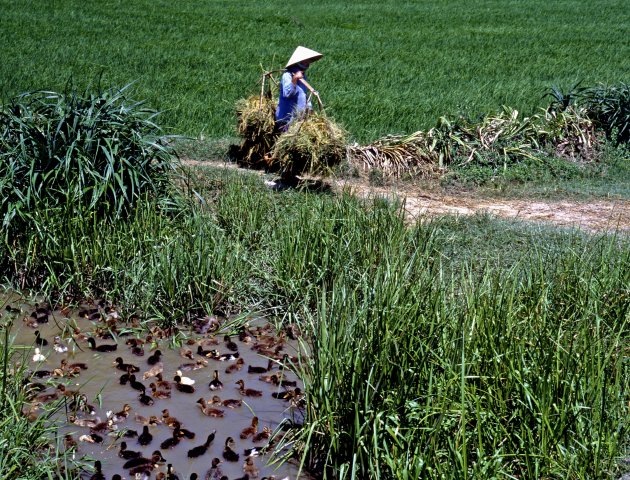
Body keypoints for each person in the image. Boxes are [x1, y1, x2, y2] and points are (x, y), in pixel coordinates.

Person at [275, 46, 323, 132]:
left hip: (298, 119)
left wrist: (309, 108)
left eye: (308, 61)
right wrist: (294, 79)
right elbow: (287, 94)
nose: (307, 63)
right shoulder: (287, 75)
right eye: (305, 61)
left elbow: (303, 94)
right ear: (298, 61)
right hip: (286, 120)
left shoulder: (303, 76)